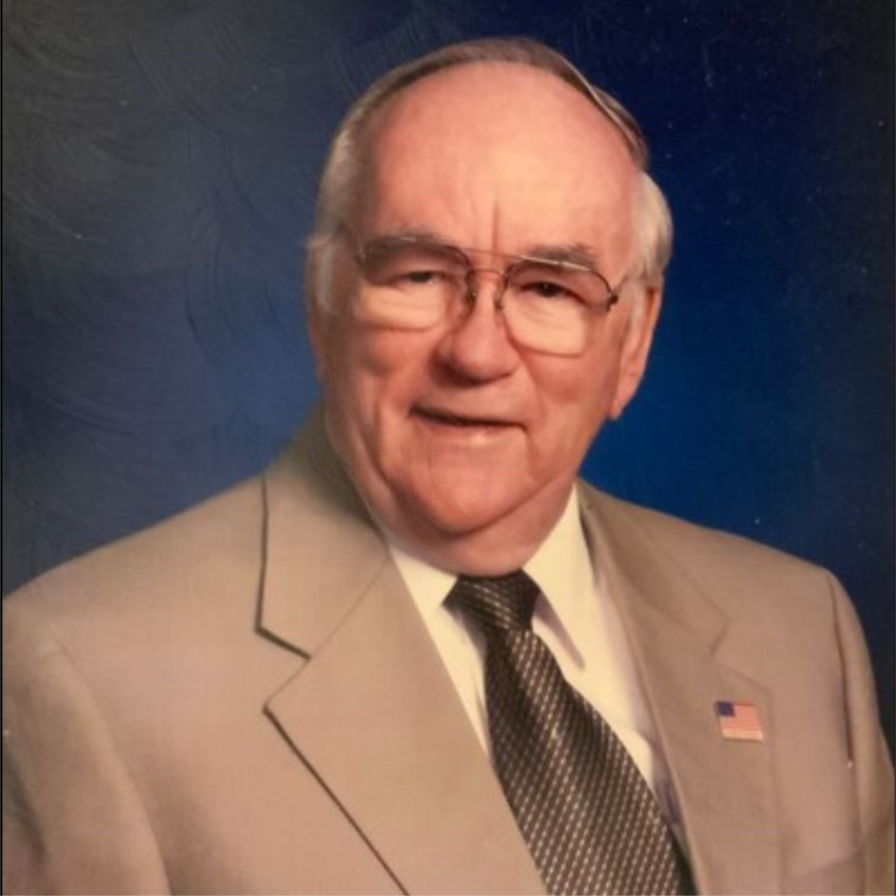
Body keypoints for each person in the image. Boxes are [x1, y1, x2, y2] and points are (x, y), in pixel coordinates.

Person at [2, 37, 893, 896]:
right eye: (419, 274)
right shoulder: (87, 678)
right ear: (322, 304)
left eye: (549, 288)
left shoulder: (798, 629)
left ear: (633, 342)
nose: (477, 352)